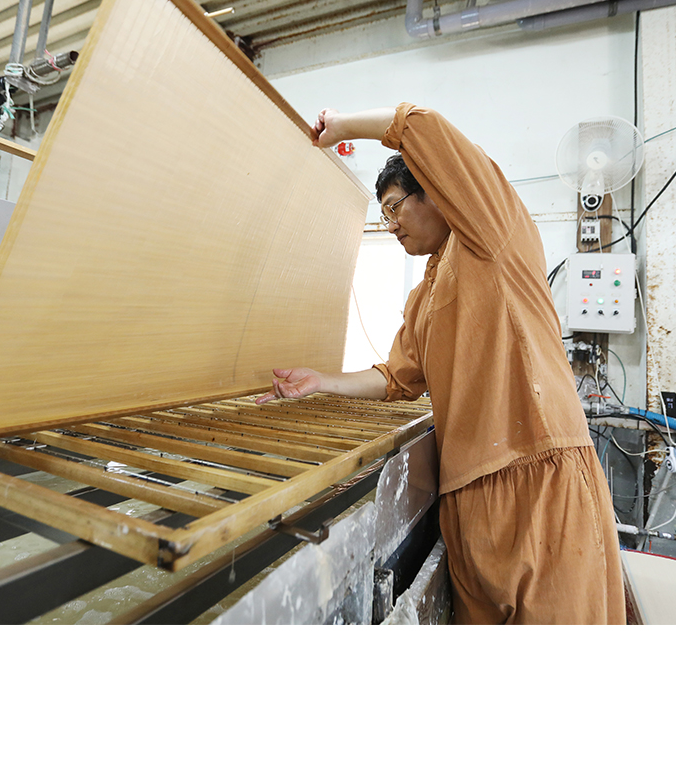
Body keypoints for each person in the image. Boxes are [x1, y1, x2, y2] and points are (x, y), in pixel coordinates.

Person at [256, 103, 625, 625]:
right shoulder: (425, 294)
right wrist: (322, 381)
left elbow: (419, 125)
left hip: (536, 475)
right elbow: (395, 378)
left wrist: (344, 128)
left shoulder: (490, 231)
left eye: (395, 208)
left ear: (433, 188)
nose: (390, 226)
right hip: (466, 495)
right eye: (384, 215)